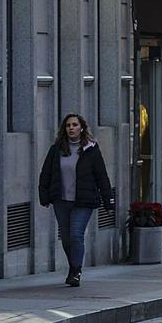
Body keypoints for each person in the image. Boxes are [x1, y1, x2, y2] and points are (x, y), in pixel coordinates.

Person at [39, 113, 113, 288]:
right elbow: (46, 174)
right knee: (65, 237)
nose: (71, 128)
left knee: (75, 234)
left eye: (74, 125)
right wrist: (44, 195)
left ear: (81, 128)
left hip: (83, 201)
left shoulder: (91, 149)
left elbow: (101, 176)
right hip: (61, 200)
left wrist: (108, 200)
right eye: (68, 125)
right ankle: (73, 267)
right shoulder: (56, 149)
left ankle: (76, 271)